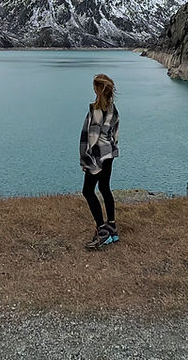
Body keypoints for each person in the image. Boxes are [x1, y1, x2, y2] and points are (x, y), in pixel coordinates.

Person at [80, 73, 120, 249]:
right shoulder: (113, 108)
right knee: (104, 188)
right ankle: (112, 228)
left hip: (97, 155)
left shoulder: (96, 110)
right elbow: (115, 134)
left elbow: (92, 137)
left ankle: (102, 231)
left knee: (88, 191)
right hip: (109, 153)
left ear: (97, 89)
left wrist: (86, 159)